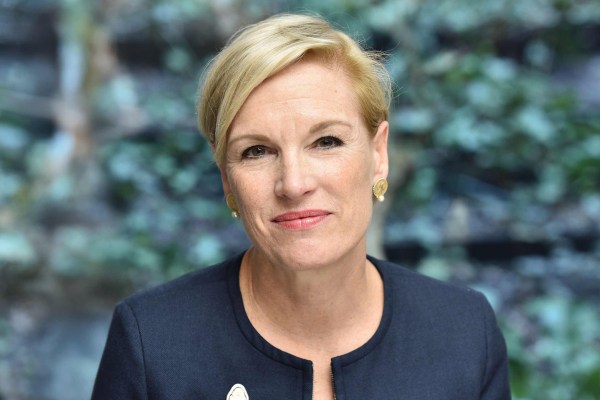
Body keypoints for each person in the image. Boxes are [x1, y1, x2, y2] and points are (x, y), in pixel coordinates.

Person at [92, 13, 511, 400]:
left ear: (378, 154)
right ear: (227, 179)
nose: (293, 184)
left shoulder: (465, 332)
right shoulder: (151, 341)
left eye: (326, 142)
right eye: (256, 151)